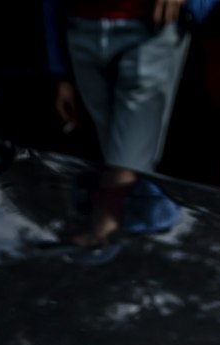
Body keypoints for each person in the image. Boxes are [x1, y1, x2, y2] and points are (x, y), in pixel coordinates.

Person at [42, 0, 190, 247]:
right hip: (78, 27)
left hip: (149, 26)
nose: (64, 233)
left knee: (126, 158)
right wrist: (60, 72)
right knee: (114, 150)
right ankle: (109, 224)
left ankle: (106, 224)